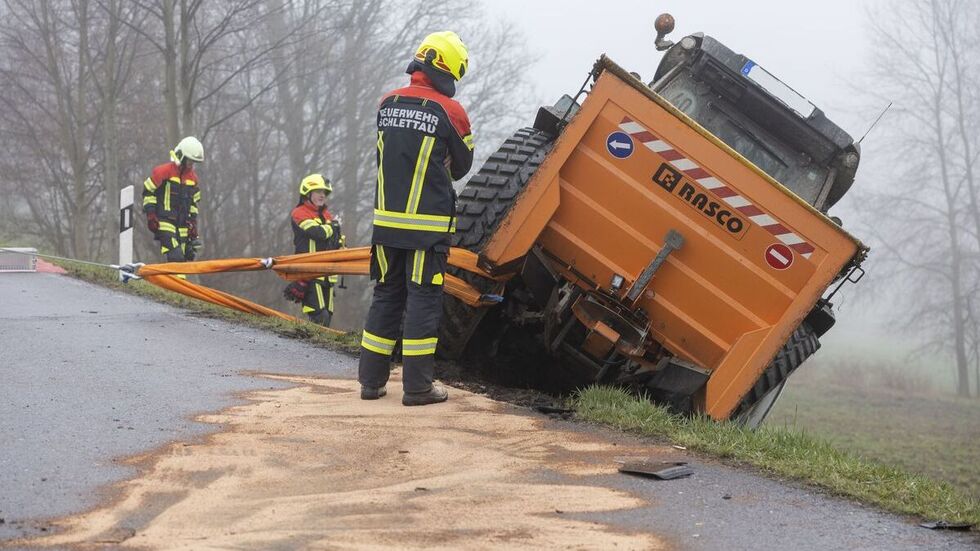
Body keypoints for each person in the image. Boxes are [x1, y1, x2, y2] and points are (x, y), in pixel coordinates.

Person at [358, 31, 474, 406]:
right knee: (423, 300)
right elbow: (462, 166)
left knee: (387, 295)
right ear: (446, 69)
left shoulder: (386, 103)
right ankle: (418, 387)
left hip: (386, 224)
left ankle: (371, 383)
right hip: (427, 230)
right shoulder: (451, 112)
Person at [285, 173, 343, 326]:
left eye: (324, 192)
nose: (322, 195)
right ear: (308, 193)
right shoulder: (300, 213)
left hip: (328, 275)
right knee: (319, 315)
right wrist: (333, 226)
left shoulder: (327, 215)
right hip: (309, 273)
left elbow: (335, 240)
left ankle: (317, 344)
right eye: (318, 191)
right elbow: (318, 233)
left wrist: (340, 241)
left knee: (328, 316)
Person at [142, 137, 204, 263]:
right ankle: (173, 281)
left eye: (194, 162)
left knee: (184, 259)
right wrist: (151, 214)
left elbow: (193, 204)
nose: (191, 164)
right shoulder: (163, 172)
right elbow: (148, 191)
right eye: (190, 161)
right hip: (164, 222)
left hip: (183, 225)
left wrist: (193, 226)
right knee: (176, 256)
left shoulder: (193, 179)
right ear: (182, 156)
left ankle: (176, 282)